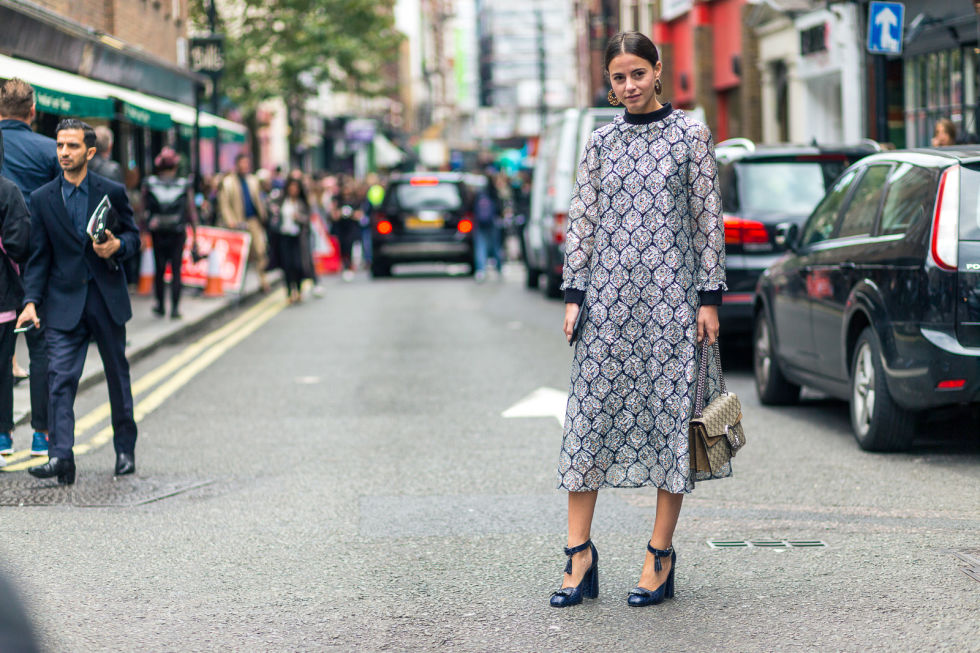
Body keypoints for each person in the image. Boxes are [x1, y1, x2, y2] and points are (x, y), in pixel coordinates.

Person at [551, 32, 727, 609]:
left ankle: (660, 555)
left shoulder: (691, 135)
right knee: (587, 424)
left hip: (672, 306)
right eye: (618, 78)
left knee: (669, 428)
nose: (628, 86)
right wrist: (574, 294)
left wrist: (709, 300)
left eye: (637, 74)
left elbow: (708, 222)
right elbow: (583, 218)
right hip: (606, 304)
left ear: (658, 70)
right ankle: (579, 555)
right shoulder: (599, 142)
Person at [16, 119, 141, 484]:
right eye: (59, 146)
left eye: (71, 146)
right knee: (60, 380)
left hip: (106, 300)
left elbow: (134, 237)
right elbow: (38, 257)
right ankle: (61, 457)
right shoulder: (42, 198)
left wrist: (118, 246)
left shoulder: (112, 191)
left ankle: (124, 450)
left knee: (117, 377)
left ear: (90, 152)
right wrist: (31, 301)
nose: (64, 153)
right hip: (63, 302)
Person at [0, 77, 57, 458]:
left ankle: (2, 437)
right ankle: (41, 435)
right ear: (33, 112)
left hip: (1, 267)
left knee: (1, 356)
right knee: (41, 352)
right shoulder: (52, 151)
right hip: (38, 263)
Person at [0, 131, 32, 460]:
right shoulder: (8, 191)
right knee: (1, 370)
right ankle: (1, 438)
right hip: (3, 299)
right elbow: (19, 244)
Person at [143, 147, 196, 319]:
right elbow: (191, 211)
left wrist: (142, 232)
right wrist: (195, 232)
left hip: (158, 233)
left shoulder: (150, 184)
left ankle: (160, 305)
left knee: (159, 270)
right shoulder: (184, 184)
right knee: (175, 270)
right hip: (177, 232)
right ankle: (175, 308)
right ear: (175, 167)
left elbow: (143, 211)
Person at [218, 154, 270, 292]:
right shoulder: (228, 182)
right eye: (242, 163)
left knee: (260, 250)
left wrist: (263, 216)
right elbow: (224, 205)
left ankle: (262, 279)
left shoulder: (253, 180)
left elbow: (259, 200)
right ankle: (238, 285)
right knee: (239, 256)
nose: (244, 166)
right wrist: (230, 221)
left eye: (246, 163)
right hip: (237, 222)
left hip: (253, 220)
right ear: (237, 164)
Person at [271, 176, 311, 303]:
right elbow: (270, 208)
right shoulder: (282, 201)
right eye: (291, 187)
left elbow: (307, 219)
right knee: (287, 266)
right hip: (284, 237)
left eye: (295, 188)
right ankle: (289, 292)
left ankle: (298, 290)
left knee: (298, 265)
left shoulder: (301, 203)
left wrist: (298, 217)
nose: (293, 190)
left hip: (297, 237)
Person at [472, 171, 502, 282]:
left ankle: (481, 270)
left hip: (480, 222)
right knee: (495, 246)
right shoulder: (494, 192)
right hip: (493, 222)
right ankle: (498, 267)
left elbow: (472, 206)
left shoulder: (479, 193)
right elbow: (500, 207)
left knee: (480, 246)